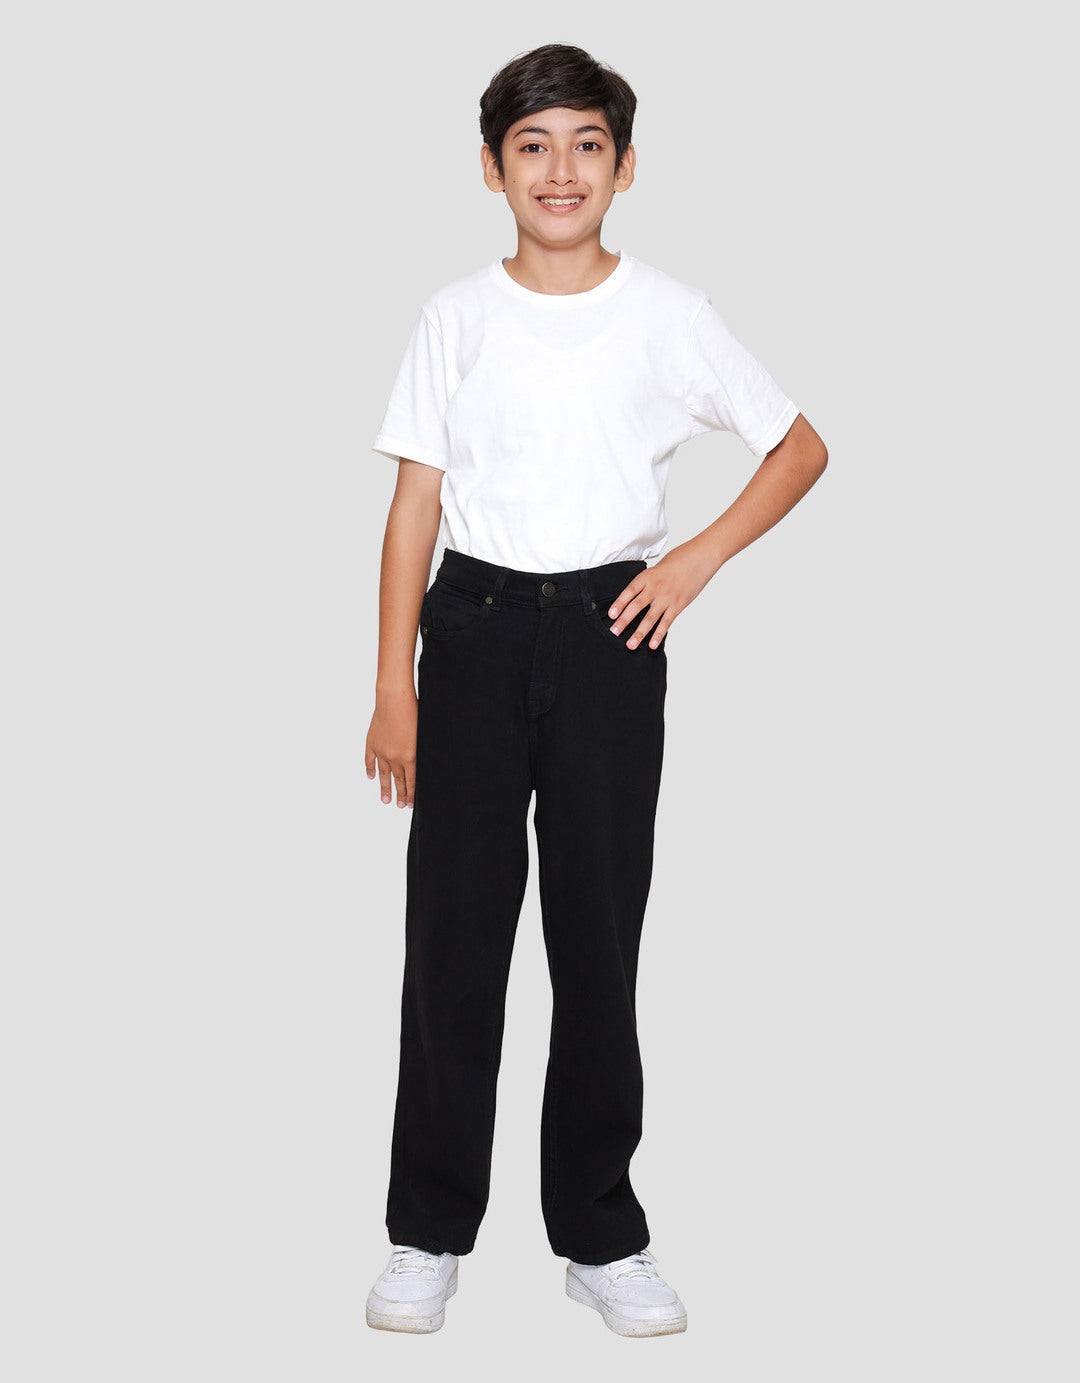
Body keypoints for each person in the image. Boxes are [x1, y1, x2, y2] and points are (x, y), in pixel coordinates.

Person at [363, 43, 828, 1338]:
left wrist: (693, 559)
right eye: (532, 146)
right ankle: (426, 1232)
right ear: (490, 168)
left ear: (626, 167)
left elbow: (800, 447)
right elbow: (413, 509)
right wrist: (393, 684)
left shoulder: (670, 314)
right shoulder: (456, 318)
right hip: (471, 632)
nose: (559, 170)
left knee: (597, 938)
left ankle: (601, 1234)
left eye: (585, 145)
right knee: (452, 939)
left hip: (611, 639)